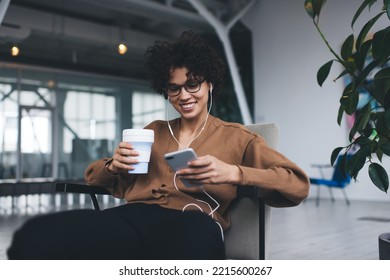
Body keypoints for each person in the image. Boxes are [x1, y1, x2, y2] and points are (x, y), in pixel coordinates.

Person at [7, 31, 310, 260]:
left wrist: (235, 173)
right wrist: (114, 165)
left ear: (210, 84)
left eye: (193, 84)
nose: (184, 95)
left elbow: (297, 184)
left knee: (189, 245)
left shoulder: (239, 137)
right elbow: (96, 179)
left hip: (193, 221)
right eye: (174, 88)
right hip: (132, 217)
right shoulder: (152, 131)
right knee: (35, 238)